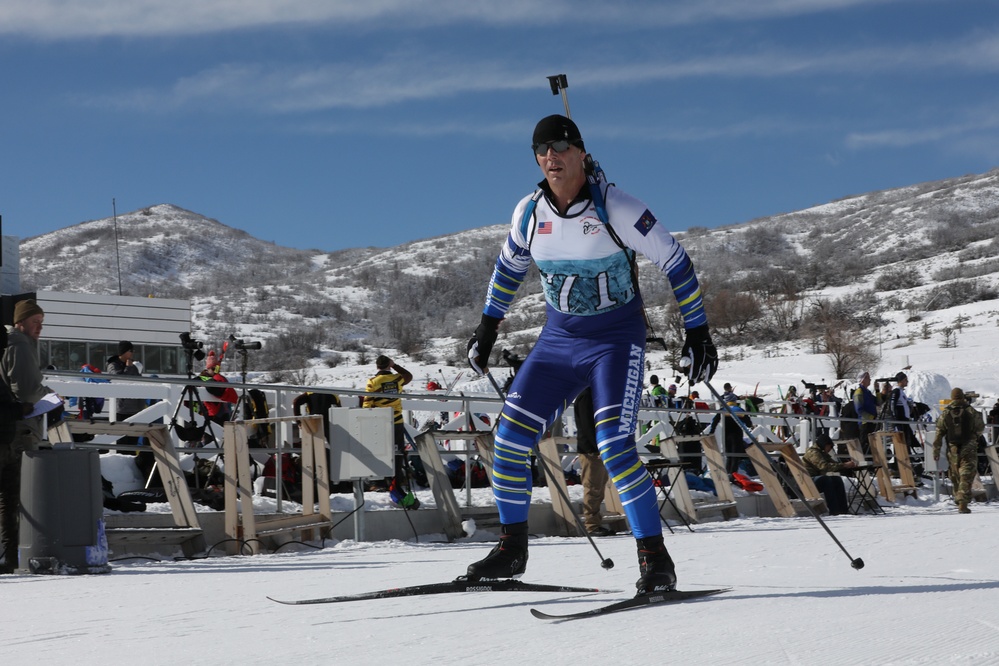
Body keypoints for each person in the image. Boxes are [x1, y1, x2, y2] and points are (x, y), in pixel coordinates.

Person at [464, 114, 717, 595]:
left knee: (614, 446)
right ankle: (511, 548)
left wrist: (698, 332)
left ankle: (654, 558)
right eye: (542, 150)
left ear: (581, 152)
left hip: (614, 342)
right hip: (558, 342)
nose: (551, 157)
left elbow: (676, 262)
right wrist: (487, 328)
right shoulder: (529, 212)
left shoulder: (616, 206)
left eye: (560, 147)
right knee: (509, 439)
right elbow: (508, 269)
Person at [1, 300, 53, 573]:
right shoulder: (20, 345)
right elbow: (27, 392)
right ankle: (10, 557)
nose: (40, 327)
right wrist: (49, 397)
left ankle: (8, 557)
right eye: (35, 322)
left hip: (8, 426)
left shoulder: (11, 342)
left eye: (42, 322)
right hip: (17, 431)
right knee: (13, 496)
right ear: (21, 322)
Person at [363, 355, 420, 509]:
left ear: (377, 367)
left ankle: (381, 483)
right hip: (397, 422)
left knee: (381, 453)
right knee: (398, 453)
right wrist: (395, 366)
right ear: (389, 364)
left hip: (380, 423)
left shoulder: (372, 382)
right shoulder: (396, 379)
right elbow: (409, 376)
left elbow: (367, 405)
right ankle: (396, 484)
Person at [931, 388, 985, 514]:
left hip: (953, 448)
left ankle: (958, 499)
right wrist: (975, 437)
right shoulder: (970, 411)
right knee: (966, 474)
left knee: (955, 475)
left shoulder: (946, 413)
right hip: (968, 447)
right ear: (962, 397)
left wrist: (936, 451)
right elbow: (980, 427)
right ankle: (962, 503)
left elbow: (939, 433)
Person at [572, 387, 611, 536]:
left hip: (594, 448)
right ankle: (592, 525)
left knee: (598, 488)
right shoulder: (586, 397)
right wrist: (598, 447)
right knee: (593, 488)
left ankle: (595, 522)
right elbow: (588, 426)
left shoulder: (590, 395)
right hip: (591, 450)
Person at [803, 433, 857, 515]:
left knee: (837, 480)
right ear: (824, 444)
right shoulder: (813, 452)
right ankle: (834, 510)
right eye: (830, 446)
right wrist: (844, 465)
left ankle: (843, 510)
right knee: (826, 480)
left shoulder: (822, 453)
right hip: (809, 479)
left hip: (816, 478)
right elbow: (824, 466)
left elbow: (833, 464)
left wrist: (844, 465)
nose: (830, 449)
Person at [106, 340, 145, 446]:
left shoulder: (133, 365)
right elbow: (119, 380)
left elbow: (139, 383)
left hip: (135, 408)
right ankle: (121, 460)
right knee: (122, 440)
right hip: (122, 409)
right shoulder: (113, 365)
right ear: (123, 351)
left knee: (133, 440)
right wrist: (128, 367)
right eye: (130, 350)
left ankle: (130, 460)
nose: (132, 353)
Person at [853, 371, 878, 453]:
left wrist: (878, 391)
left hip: (871, 422)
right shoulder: (859, 392)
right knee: (865, 444)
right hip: (864, 423)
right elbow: (859, 409)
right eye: (867, 378)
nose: (870, 379)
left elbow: (878, 402)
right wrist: (871, 417)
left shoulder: (868, 392)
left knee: (872, 445)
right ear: (862, 380)